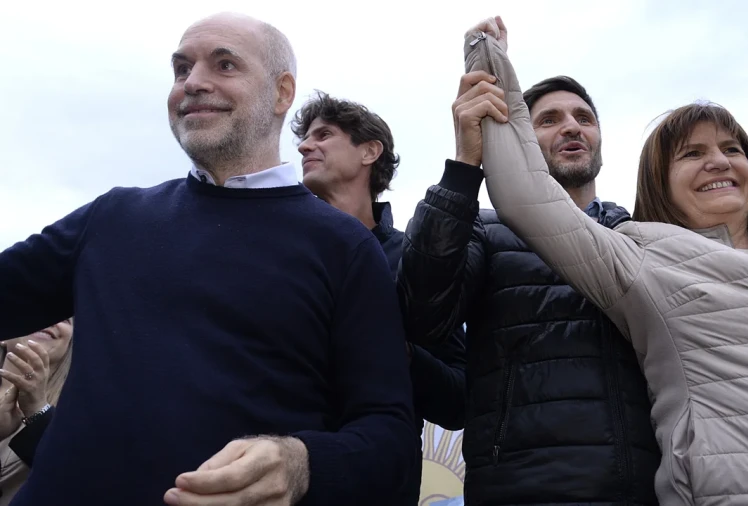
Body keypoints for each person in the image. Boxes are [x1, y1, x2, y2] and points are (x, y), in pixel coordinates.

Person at [458, 17, 748, 505]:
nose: (719, 161)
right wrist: (489, 61)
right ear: (657, 182)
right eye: (693, 153)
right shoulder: (646, 260)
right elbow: (526, 196)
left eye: (732, 149)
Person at [0, 12, 416, 506]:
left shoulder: (345, 247)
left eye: (224, 65)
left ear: (282, 93)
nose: (193, 83)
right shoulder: (113, 215)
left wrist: (303, 462)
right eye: (181, 69)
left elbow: (390, 437)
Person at [398, 51, 660, 506]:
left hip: (649, 490)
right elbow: (422, 315)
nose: (572, 126)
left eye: (584, 117)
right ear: (520, 139)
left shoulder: (639, 236)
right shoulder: (484, 228)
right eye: (549, 120)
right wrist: (464, 167)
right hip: (522, 490)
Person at [293, 91, 466, 505]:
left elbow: (459, 399)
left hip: (377, 486)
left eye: (324, 135)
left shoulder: (414, 261)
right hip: (280, 479)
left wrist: (400, 354)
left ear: (370, 151)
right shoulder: (278, 253)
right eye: (305, 137)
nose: (303, 146)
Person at [0, 319, 73, 505]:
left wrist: (38, 411)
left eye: (64, 318)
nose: (50, 319)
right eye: (40, 310)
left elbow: (74, 480)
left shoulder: (76, 412)